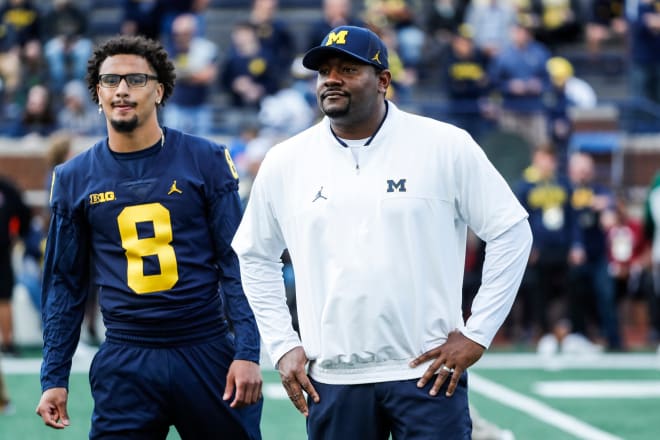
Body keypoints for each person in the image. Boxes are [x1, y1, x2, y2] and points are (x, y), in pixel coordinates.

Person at [232, 25, 532, 438]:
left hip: (428, 372)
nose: (331, 79)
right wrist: (282, 344)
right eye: (324, 72)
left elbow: (512, 231)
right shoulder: (285, 160)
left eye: (347, 69)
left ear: (383, 81)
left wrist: (478, 333)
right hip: (332, 377)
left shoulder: (445, 145)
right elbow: (254, 255)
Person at [35, 35, 263, 439]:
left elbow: (237, 262)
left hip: (205, 347)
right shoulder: (73, 178)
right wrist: (54, 375)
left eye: (136, 79)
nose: (122, 90)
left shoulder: (206, 159)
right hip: (126, 354)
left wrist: (247, 350)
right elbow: (65, 284)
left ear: (159, 90)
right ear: (97, 93)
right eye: (110, 81)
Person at [0, 175, 33, 356]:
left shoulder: (8, 188)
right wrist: (19, 233)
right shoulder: (8, 188)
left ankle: (7, 343)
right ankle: (7, 344)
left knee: (4, 299)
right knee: (4, 299)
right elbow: (24, 213)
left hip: (3, 250)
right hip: (3, 250)